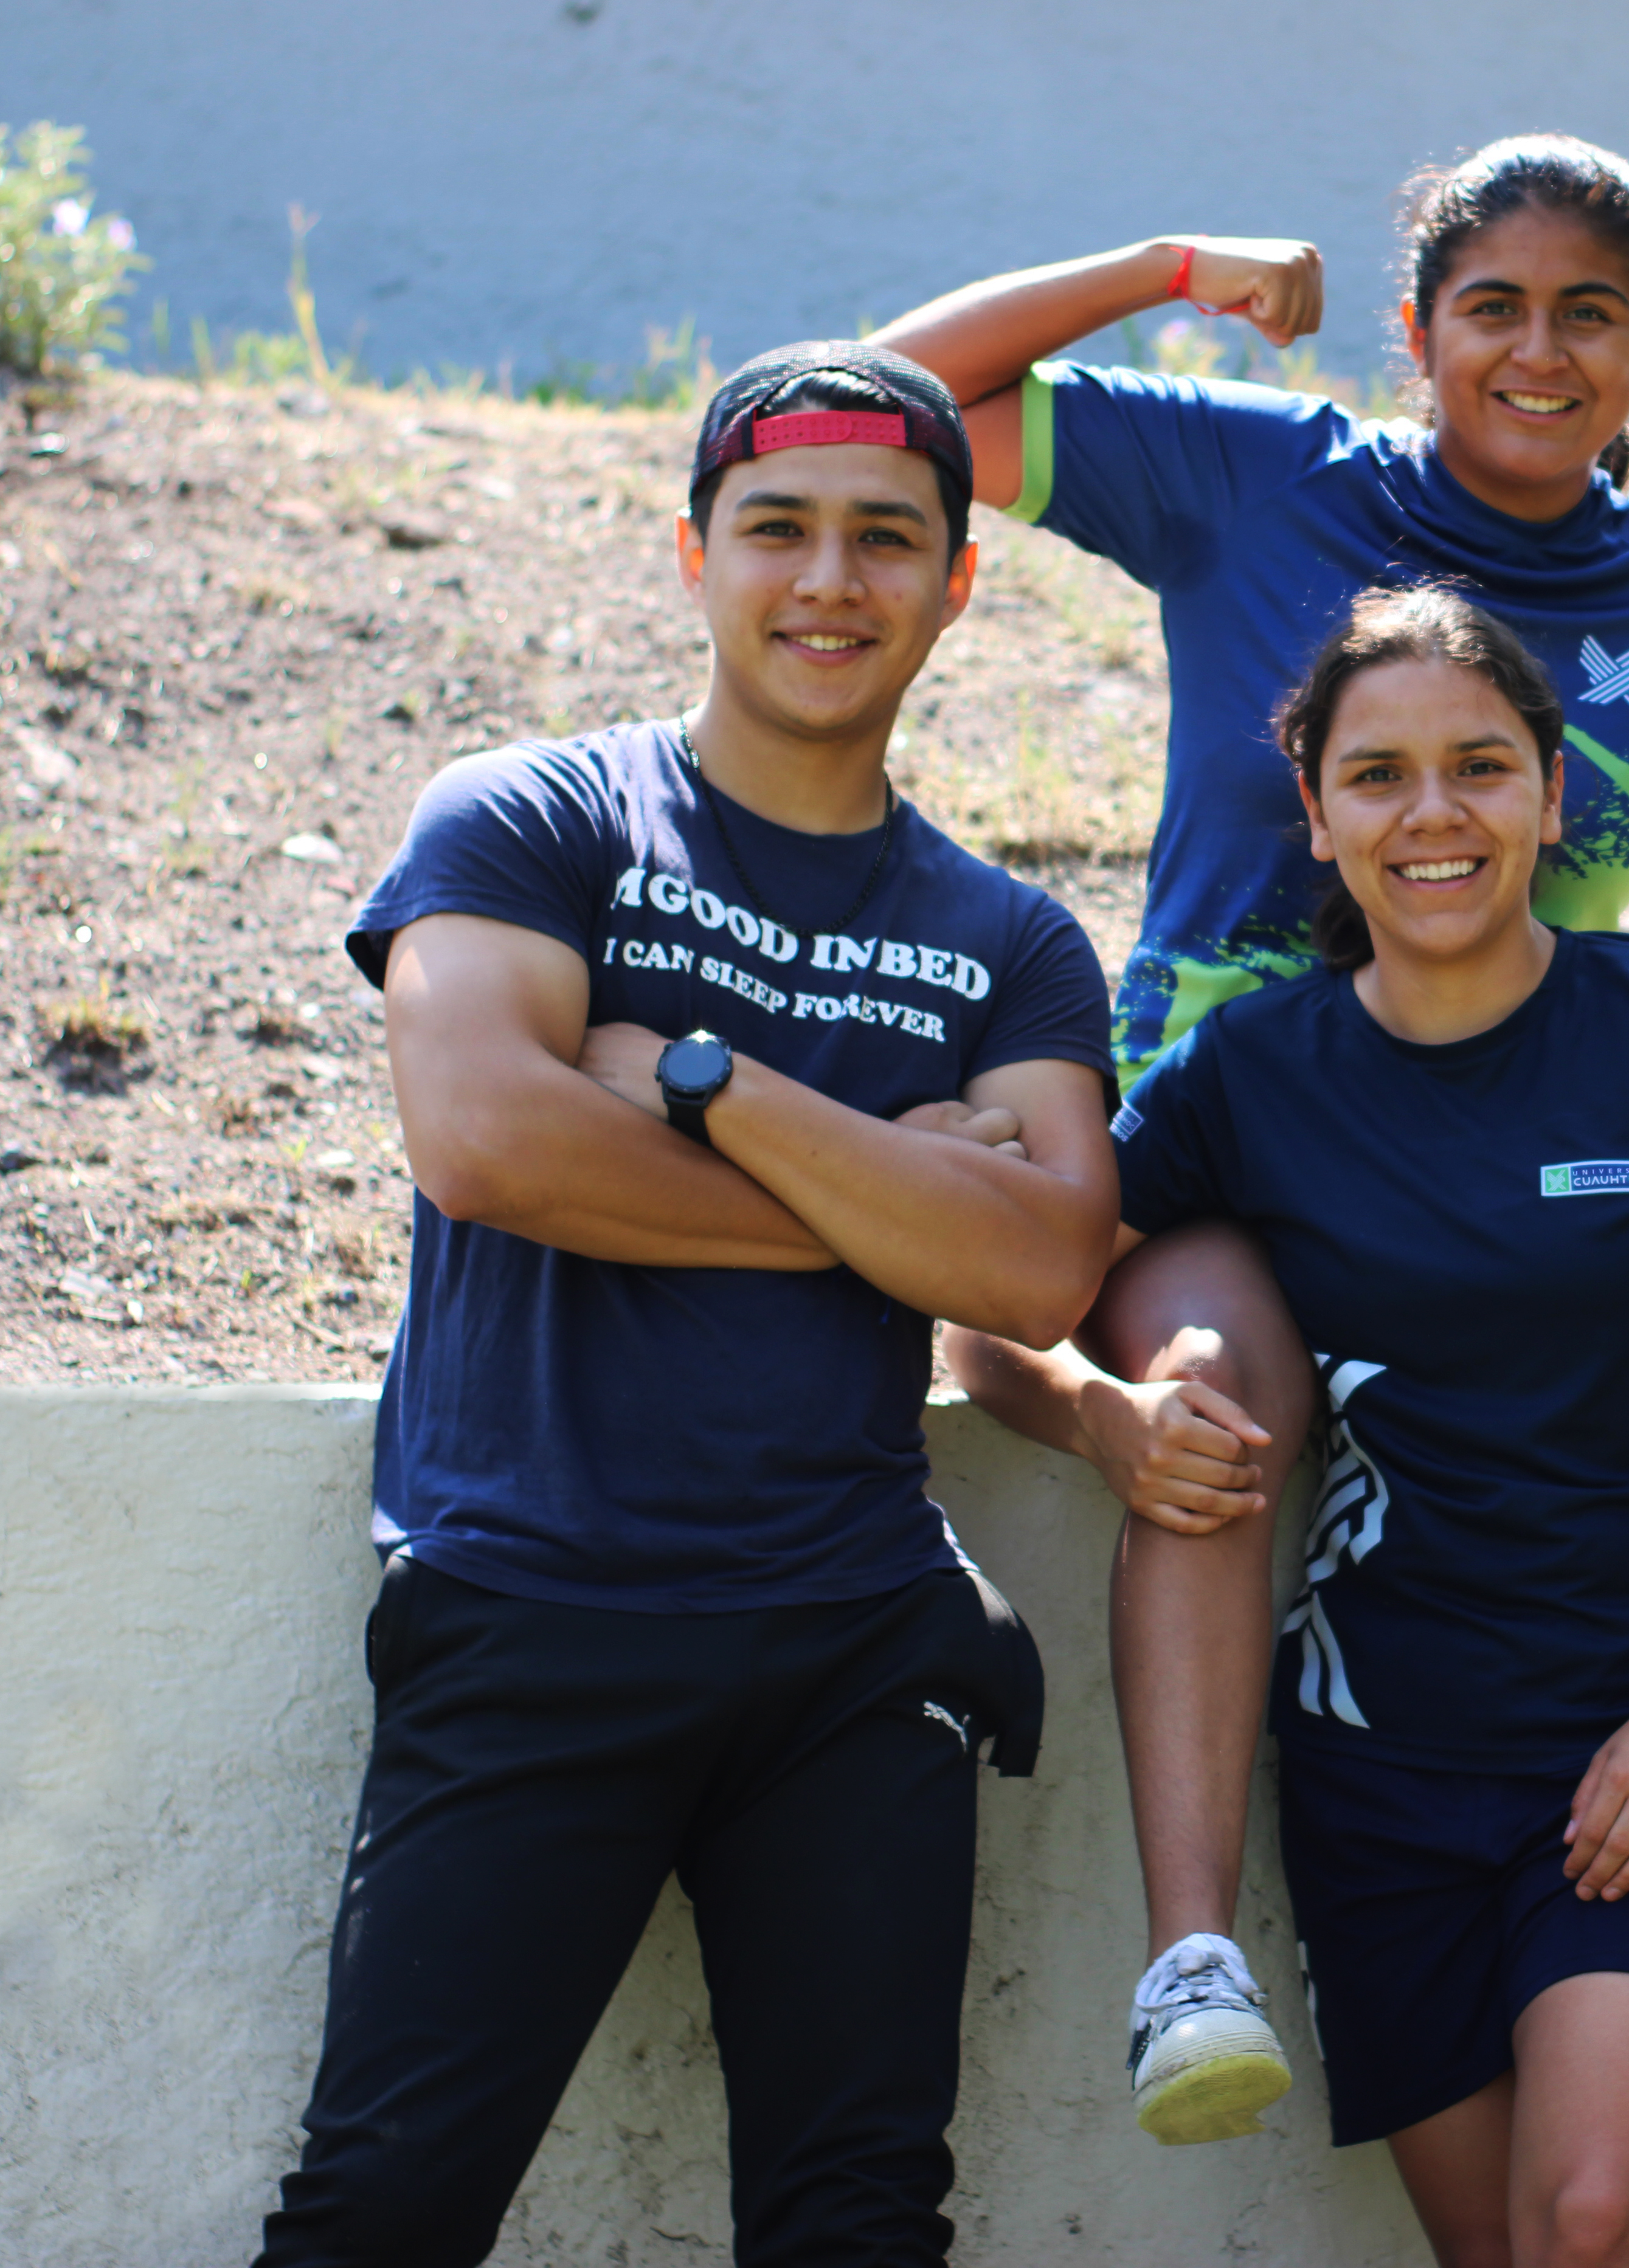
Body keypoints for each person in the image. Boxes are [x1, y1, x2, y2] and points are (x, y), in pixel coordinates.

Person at [880, 131, 1629, 2258]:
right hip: (1233, 1129)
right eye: (1491, 306)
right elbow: (875, 404)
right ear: (1421, 327)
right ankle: (1192, 1960)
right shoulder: (1256, 473)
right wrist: (1167, 263)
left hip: (1517, 1126)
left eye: (1589, 313)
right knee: (1215, 1387)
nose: (1537, 351)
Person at [254, 342, 1122, 2267]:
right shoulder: (536, 815)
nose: (832, 582)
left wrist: (713, 1083)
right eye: (780, 530)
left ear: (958, 583)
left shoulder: (1011, 937)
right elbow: (486, 1139)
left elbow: (1048, 1265)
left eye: (889, 538)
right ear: (693, 554)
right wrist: (894, 1198)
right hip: (533, 1605)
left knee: (859, 2225)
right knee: (382, 2208)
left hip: (854, 1642)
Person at [951, 586, 1629, 2267]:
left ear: (1554, 791)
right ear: (1316, 811)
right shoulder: (1249, 1073)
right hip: (1387, 1774)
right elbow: (984, 1298)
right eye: (1379, 776)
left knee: (1589, 2214)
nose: (1433, 814)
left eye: (1481, 766)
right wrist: (1098, 1418)